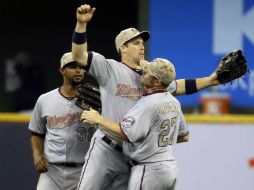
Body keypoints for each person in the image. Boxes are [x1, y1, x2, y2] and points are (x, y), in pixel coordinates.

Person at [71, 3, 220, 190]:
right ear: (122, 48)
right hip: (106, 149)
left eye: (142, 42)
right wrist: (81, 25)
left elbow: (179, 86)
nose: (141, 46)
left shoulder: (150, 76)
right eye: (135, 43)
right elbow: (79, 56)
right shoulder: (109, 68)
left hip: (132, 154)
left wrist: (211, 80)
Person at [81, 58, 189, 190]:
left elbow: (127, 134)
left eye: (147, 73)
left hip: (149, 169)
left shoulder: (147, 103)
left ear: (157, 81)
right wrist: (154, 140)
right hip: (170, 169)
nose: (142, 73)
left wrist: (99, 119)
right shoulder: (174, 102)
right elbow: (184, 136)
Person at [28, 52, 97, 190]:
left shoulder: (95, 100)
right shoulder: (45, 100)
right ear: (61, 70)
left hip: (84, 170)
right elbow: (37, 133)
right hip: (52, 171)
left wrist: (100, 112)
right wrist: (37, 155)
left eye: (81, 67)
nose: (78, 70)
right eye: (72, 66)